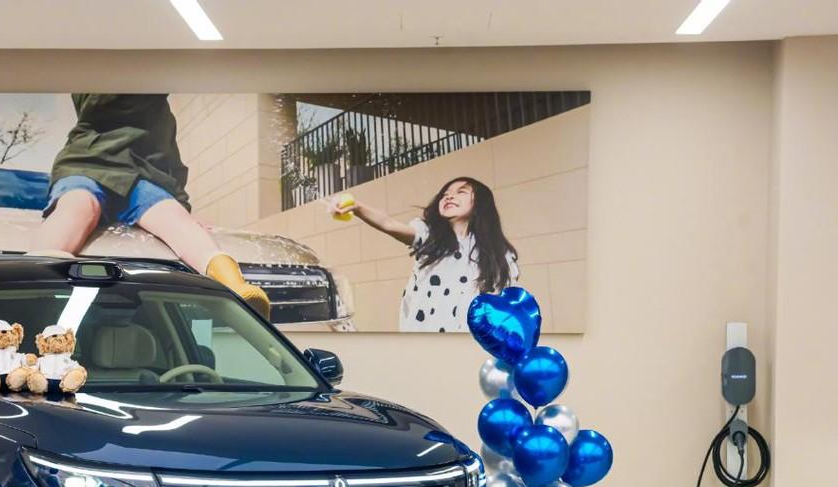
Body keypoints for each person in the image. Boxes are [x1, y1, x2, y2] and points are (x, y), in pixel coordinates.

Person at [31, 93, 270, 318]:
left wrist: (182, 206)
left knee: (173, 219)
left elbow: (173, 162)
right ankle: (36, 282)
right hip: (89, 166)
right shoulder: (101, 95)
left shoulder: (161, 117)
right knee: (78, 207)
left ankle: (235, 287)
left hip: (138, 176)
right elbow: (94, 99)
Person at [329, 176, 519, 332]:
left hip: (471, 345)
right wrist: (356, 207)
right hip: (424, 340)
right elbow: (388, 224)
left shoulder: (501, 254)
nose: (449, 196)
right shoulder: (430, 237)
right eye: (445, 194)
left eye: (461, 192)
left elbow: (507, 308)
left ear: (480, 203)